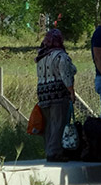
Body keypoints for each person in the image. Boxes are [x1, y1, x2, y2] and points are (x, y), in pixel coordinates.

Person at [35, 29, 77, 162]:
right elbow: (66, 76)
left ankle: (48, 150)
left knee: (48, 124)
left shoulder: (40, 57)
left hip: (43, 94)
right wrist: (71, 91)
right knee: (59, 123)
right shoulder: (61, 56)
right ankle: (55, 153)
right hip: (58, 93)